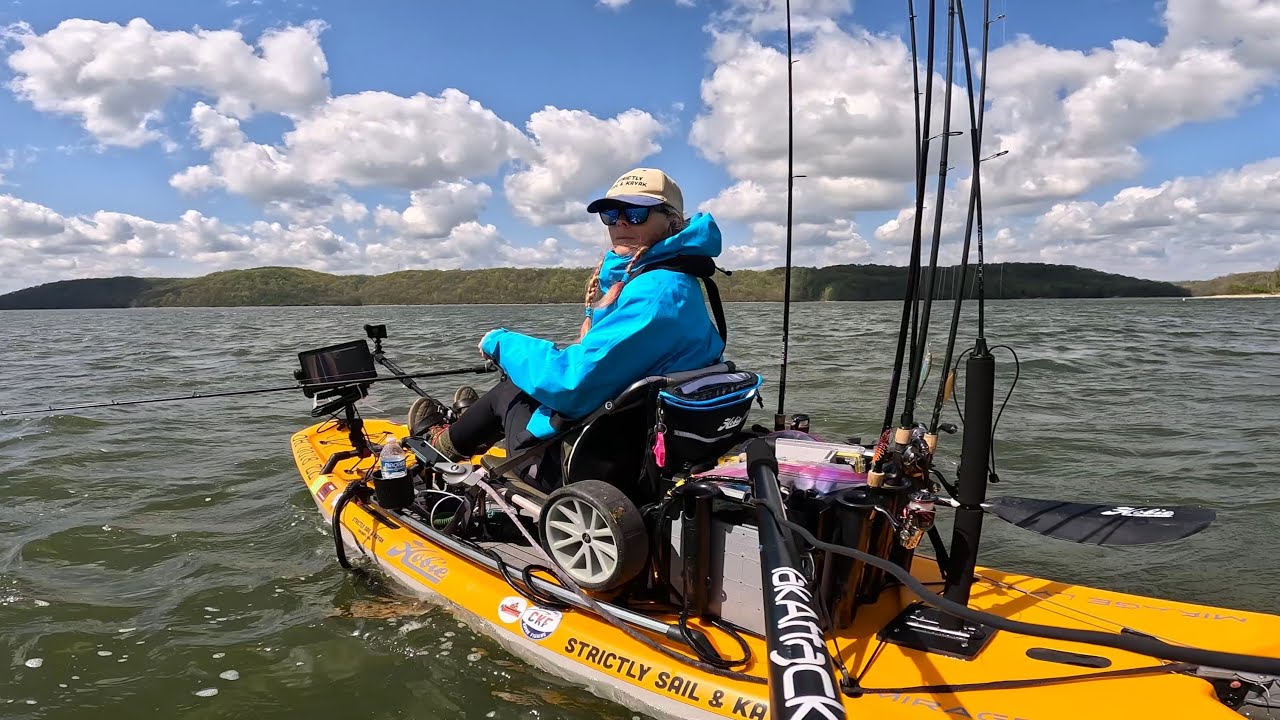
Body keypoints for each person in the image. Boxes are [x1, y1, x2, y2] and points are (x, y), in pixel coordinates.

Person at [409, 168, 727, 472]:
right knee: (526, 381)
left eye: (635, 213)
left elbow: (570, 383)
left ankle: (444, 443)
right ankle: (470, 426)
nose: (620, 223)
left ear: (672, 222)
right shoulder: (678, 282)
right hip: (636, 440)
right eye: (610, 214)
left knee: (507, 391)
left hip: (593, 460)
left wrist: (500, 342)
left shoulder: (656, 291)